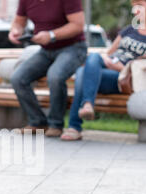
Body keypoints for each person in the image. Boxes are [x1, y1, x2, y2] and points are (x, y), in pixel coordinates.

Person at [61, 0, 146, 141]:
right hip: (104, 72)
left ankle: (75, 125)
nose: (136, 11)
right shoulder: (129, 30)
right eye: (134, 7)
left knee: (83, 73)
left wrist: (120, 67)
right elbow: (109, 53)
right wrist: (109, 61)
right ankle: (86, 106)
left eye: (140, 6)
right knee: (92, 60)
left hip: (124, 79)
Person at [9, 0, 87, 137]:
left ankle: (56, 124)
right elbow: (18, 22)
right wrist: (15, 31)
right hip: (45, 51)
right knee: (18, 78)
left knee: (55, 76)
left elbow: (78, 25)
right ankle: (38, 122)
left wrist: (51, 35)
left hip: (73, 48)